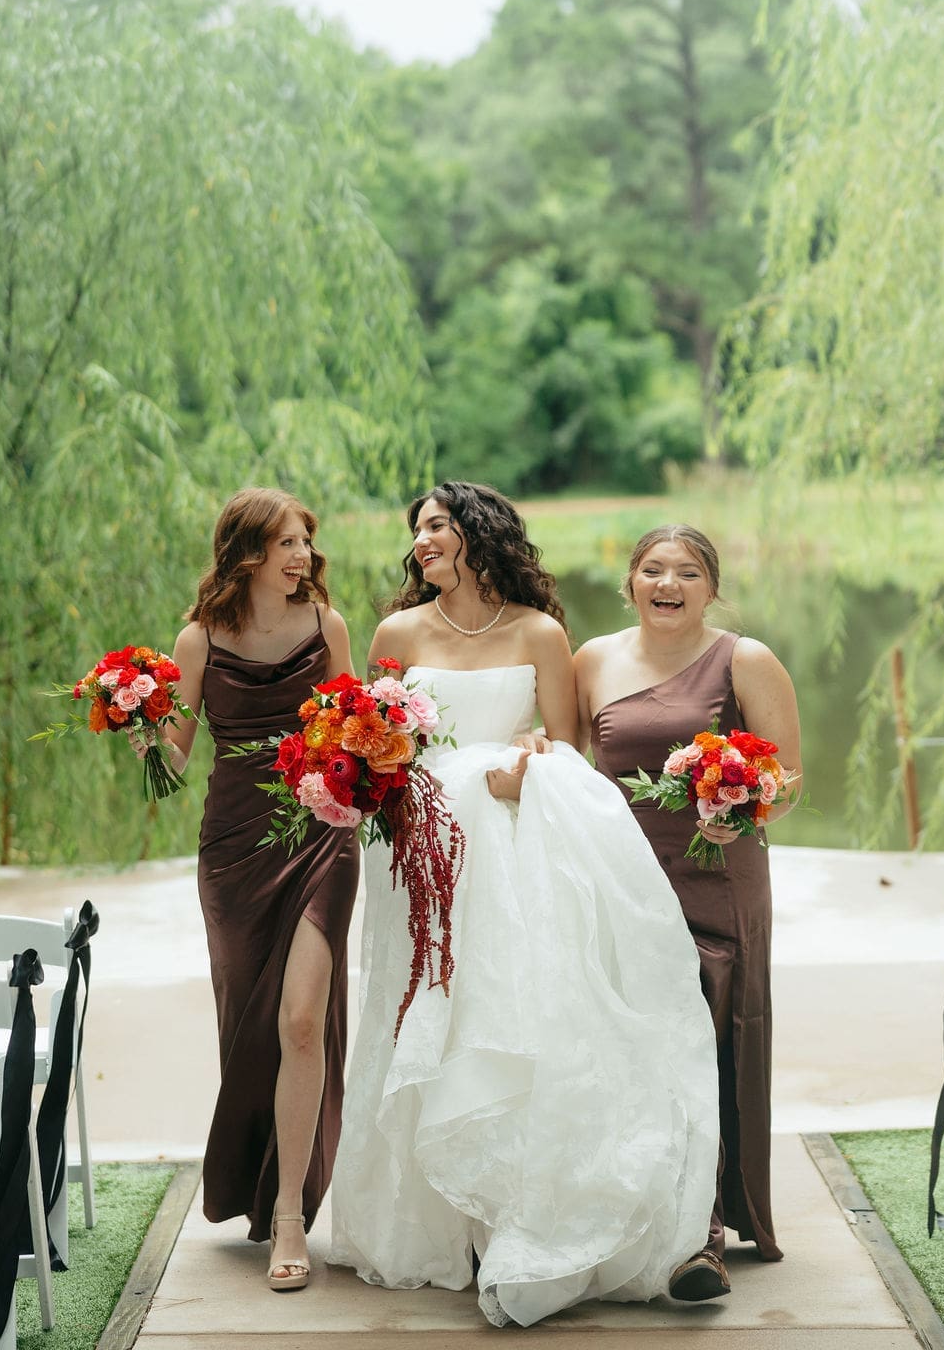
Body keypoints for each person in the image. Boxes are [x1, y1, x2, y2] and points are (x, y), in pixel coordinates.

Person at [328, 482, 720, 1329]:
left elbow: (565, 741)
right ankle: (430, 1225)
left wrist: (527, 760)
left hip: (508, 844)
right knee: (421, 1004)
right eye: (418, 529)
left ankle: (513, 1204)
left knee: (507, 1010)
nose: (422, 539)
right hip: (419, 850)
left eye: (437, 525)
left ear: (478, 533)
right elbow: (372, 740)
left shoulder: (540, 632)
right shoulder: (396, 633)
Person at [137, 487, 360, 1289]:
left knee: (303, 1019)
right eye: (286, 543)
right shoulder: (198, 639)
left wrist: (367, 774)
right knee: (249, 1024)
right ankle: (250, 1180)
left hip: (322, 831)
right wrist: (138, 718)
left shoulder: (327, 628)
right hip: (234, 846)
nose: (302, 555)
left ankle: (291, 1213)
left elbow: (360, 733)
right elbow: (177, 752)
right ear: (246, 554)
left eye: (305, 540)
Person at [578, 524, 802, 1286]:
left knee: (706, 1040)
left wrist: (738, 805)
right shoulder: (593, 660)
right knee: (632, 1046)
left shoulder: (747, 659)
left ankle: (701, 1233)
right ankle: (630, 1213)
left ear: (711, 587)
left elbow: (788, 778)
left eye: (686, 572)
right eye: (652, 570)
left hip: (718, 874)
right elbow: (566, 769)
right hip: (623, 877)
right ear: (630, 582)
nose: (667, 584)